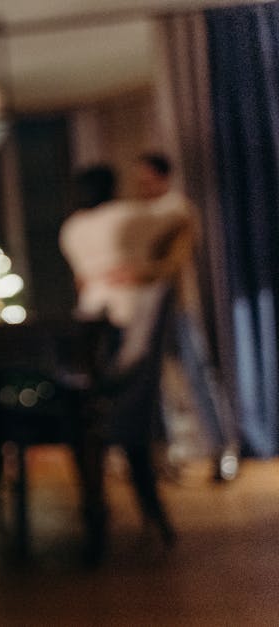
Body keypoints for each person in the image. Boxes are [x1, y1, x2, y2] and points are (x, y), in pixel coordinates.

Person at [60, 165, 177, 562]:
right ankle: (145, 502)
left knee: (85, 404)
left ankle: (97, 514)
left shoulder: (72, 229)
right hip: (125, 324)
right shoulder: (129, 216)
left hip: (90, 324)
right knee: (117, 409)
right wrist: (151, 268)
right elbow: (180, 216)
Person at [129, 154, 239, 482]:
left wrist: (136, 271)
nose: (143, 187)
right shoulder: (140, 215)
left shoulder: (178, 212)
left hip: (176, 307)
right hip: (145, 309)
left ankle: (222, 450)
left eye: (148, 180)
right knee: (155, 385)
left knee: (198, 375)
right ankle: (166, 454)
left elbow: (173, 260)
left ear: (163, 178)